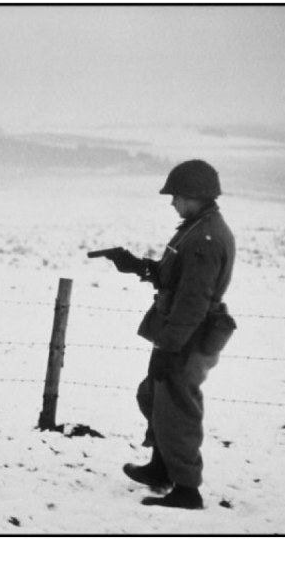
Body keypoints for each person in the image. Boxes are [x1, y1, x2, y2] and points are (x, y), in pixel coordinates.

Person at [100, 160, 236, 509]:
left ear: (195, 195)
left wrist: (169, 348)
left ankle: (187, 490)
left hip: (189, 336)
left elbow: (193, 301)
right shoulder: (196, 228)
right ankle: (161, 468)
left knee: (177, 409)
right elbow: (176, 276)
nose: (172, 202)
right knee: (153, 397)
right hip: (180, 333)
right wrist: (138, 265)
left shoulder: (205, 238)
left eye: (177, 196)